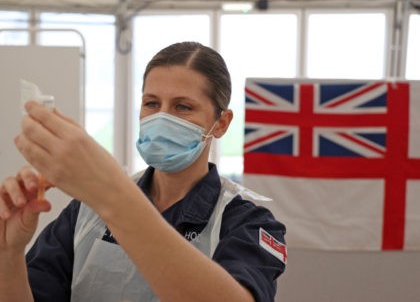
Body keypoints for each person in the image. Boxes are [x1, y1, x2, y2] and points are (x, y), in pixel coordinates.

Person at [0, 41, 286, 302]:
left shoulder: (247, 223)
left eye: (183, 107)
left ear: (221, 123)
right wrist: (8, 256)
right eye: (151, 103)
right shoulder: (86, 213)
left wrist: (110, 194)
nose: (162, 117)